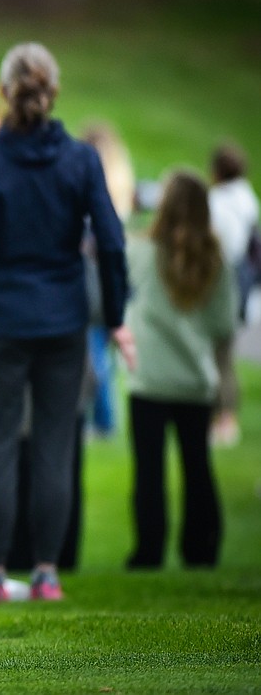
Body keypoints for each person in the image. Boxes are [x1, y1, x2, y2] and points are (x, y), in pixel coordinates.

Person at [0, 42, 133, 607]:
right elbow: (110, 241)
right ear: (53, 93)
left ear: (5, 93)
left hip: (1, 320)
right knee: (56, 448)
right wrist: (118, 317)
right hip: (63, 321)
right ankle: (47, 575)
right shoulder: (82, 160)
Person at [125, 171, 235, 569]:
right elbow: (224, 322)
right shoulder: (214, 259)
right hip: (194, 377)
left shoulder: (140, 251)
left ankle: (149, 550)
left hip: (149, 376)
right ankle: (200, 548)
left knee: (149, 472)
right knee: (197, 467)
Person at [80, 122, 136, 440]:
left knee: (95, 348)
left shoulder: (102, 184)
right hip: (111, 274)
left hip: (96, 275)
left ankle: (102, 420)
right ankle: (103, 417)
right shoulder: (120, 177)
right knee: (101, 345)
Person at [206, 142, 257, 447]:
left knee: (220, 355)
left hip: (223, 281)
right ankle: (226, 417)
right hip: (242, 281)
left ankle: (222, 419)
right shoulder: (248, 199)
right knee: (225, 353)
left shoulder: (219, 202)